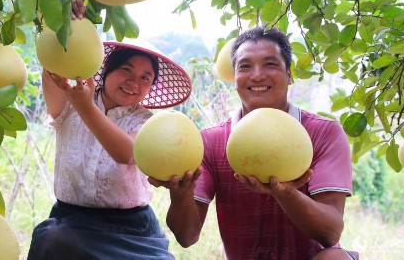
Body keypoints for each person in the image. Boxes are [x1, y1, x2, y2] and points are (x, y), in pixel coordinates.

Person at [150, 24, 357, 260]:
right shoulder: (210, 141)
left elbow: (330, 233)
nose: (257, 75)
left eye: (270, 64)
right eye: (245, 66)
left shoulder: (323, 133)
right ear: (235, 77)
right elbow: (187, 237)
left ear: (289, 75)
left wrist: (287, 194)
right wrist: (180, 193)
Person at [27, 0, 192, 260]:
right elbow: (54, 69)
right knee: (52, 239)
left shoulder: (146, 122)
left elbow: (126, 153)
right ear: (107, 71)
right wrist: (64, 24)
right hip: (71, 223)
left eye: (144, 78)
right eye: (126, 70)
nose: (133, 82)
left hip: (131, 229)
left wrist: (85, 107)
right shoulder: (72, 99)